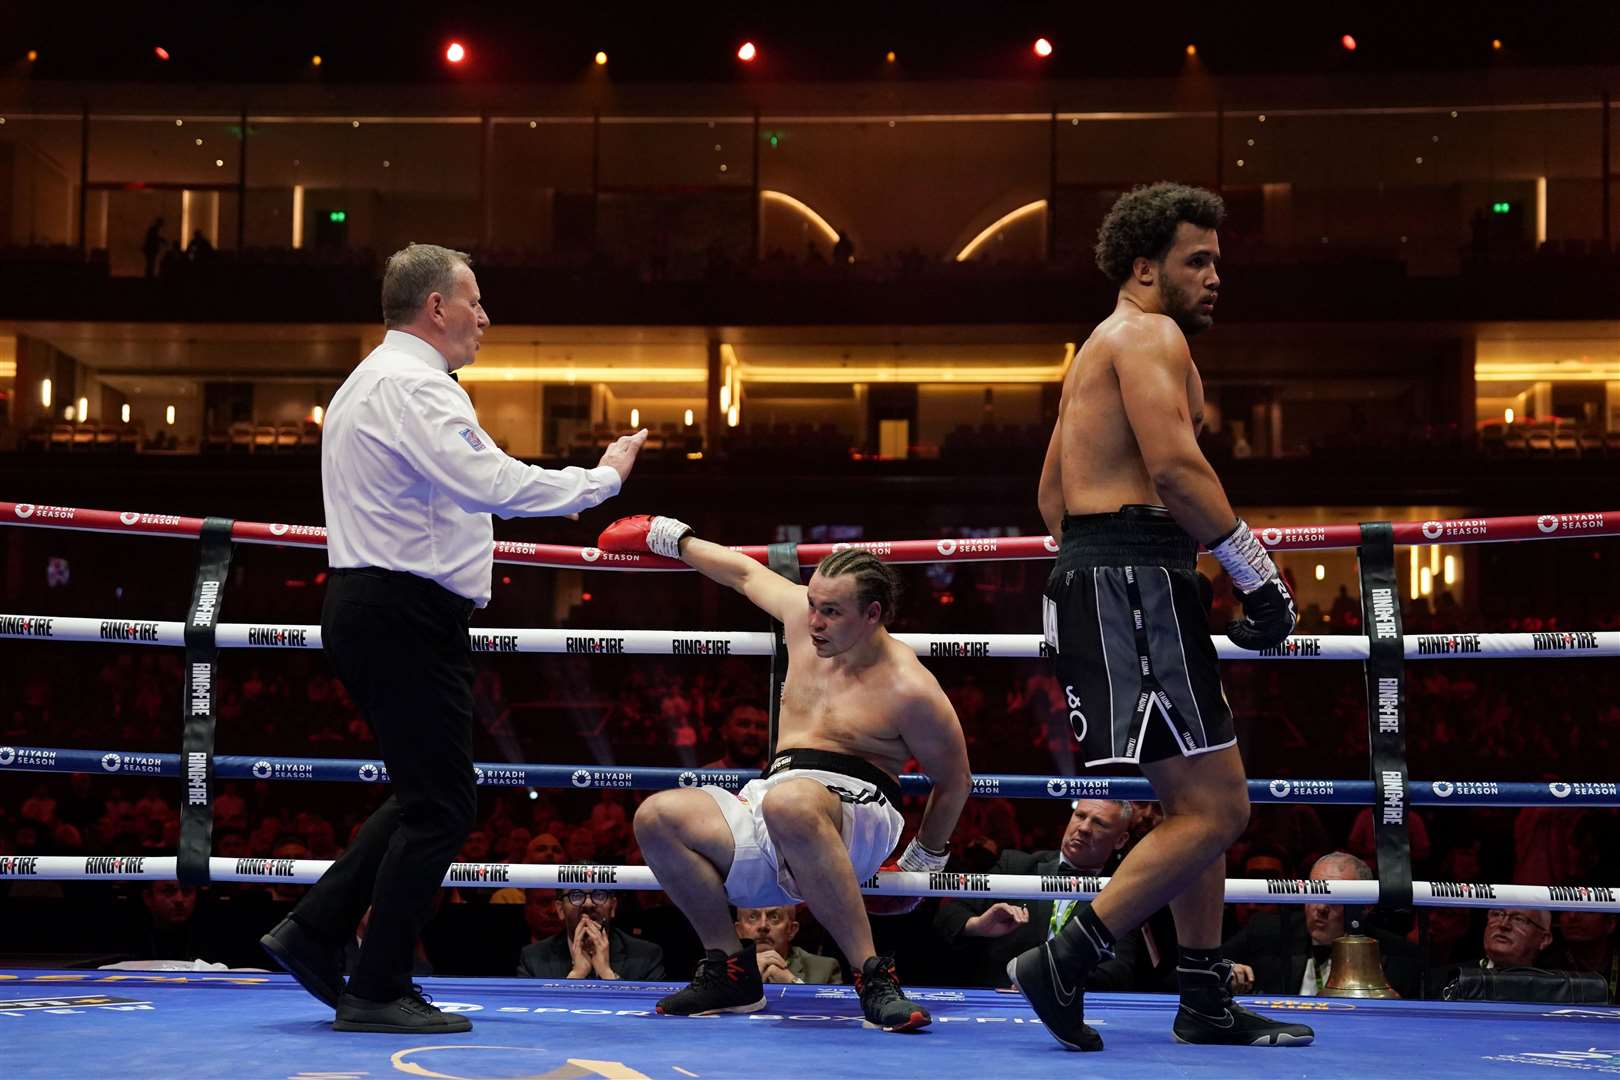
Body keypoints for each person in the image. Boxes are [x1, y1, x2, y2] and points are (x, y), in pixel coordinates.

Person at [258, 242, 646, 1035]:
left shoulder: (371, 380)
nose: (485, 317)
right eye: (474, 301)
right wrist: (600, 480)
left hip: (379, 606)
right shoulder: (416, 386)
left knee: (424, 794)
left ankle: (314, 929)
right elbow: (494, 483)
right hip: (404, 611)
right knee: (442, 806)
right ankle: (375, 985)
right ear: (435, 306)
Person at [1012, 182, 1313, 1051]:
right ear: (1146, 268)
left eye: (1218, 260)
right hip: (1132, 579)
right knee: (1219, 812)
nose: (1216, 276)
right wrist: (1258, 577)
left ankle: (1202, 997)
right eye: (1199, 260)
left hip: (1117, 576)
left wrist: (1105, 565)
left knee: (1196, 807)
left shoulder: (1096, 348)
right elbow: (1178, 469)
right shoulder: (1149, 334)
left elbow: (1049, 495)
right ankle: (1066, 956)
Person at [601, 522, 971, 1033]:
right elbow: (741, 572)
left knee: (793, 804)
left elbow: (955, 779)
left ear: (873, 615)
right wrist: (667, 536)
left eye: (831, 611)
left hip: (858, 811)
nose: (813, 621)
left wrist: (922, 860)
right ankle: (730, 969)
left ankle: (872, 975)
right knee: (658, 815)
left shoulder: (909, 686)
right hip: (772, 796)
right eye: (813, 604)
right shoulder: (803, 617)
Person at [936, 799, 1188, 990]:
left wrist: (1049, 982)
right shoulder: (1017, 865)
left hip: (1073, 1006)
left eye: (1099, 822)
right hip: (997, 999)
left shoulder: (1122, 889)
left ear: (1120, 840)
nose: (1084, 828)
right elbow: (948, 916)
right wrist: (978, 925)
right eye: (1080, 816)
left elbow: (1118, 971)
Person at [1223, 852, 1421, 998]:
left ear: (1366, 905)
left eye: (1335, 897)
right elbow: (1211, 961)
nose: (1320, 907)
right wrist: (1229, 969)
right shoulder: (1266, 932)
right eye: (1314, 893)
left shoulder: (1397, 955)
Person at [516, 888, 665, 980]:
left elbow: (650, 1018)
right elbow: (531, 1019)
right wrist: (576, 975)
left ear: (613, 906)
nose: (588, 904)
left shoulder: (646, 956)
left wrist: (607, 974)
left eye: (599, 895)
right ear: (560, 910)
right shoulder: (534, 959)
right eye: (576, 895)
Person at [736, 904, 842, 984]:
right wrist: (745, 978)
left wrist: (792, 983)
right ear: (739, 930)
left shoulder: (824, 969)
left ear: (792, 930)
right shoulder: (722, 968)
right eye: (753, 917)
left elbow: (834, 1011)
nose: (763, 926)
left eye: (774, 917)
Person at [703, 702, 770, 770]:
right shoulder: (704, 777)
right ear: (724, 731)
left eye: (761, 726)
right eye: (744, 724)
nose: (753, 732)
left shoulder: (777, 777)